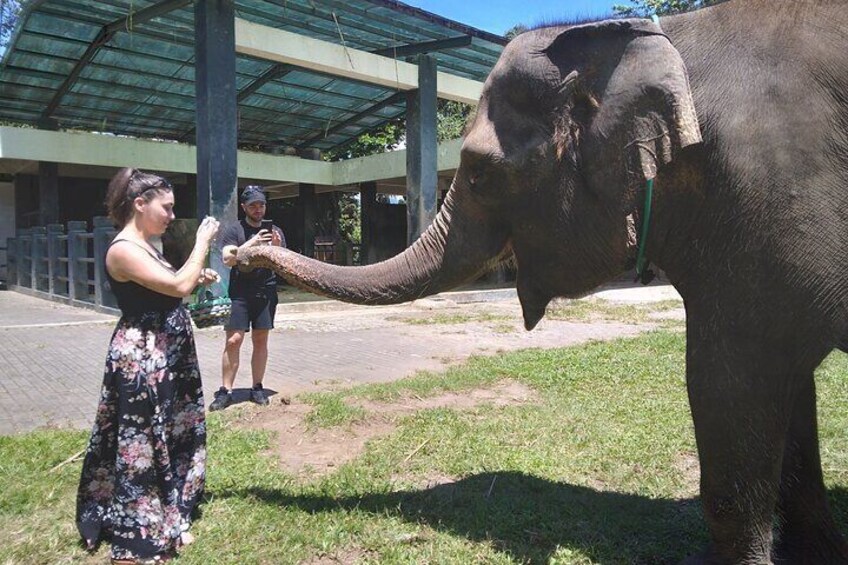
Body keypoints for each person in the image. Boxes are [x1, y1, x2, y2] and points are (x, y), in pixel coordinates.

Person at [76, 167, 220, 564]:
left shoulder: (148, 246)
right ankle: (142, 524)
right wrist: (202, 244)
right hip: (142, 359)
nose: (172, 216)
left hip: (168, 353)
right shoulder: (122, 249)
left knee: (171, 431)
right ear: (139, 204)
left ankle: (172, 511)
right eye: (167, 208)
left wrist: (195, 279)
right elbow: (174, 287)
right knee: (143, 439)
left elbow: (168, 290)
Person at [209, 185, 286, 411]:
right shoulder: (234, 230)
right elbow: (227, 259)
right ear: (244, 207)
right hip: (240, 292)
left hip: (266, 290)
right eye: (253, 205)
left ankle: (257, 387)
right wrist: (253, 243)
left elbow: (283, 263)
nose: (258, 209)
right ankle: (225, 391)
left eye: (261, 204)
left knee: (261, 339)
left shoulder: (276, 232)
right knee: (234, 340)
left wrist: (277, 247)